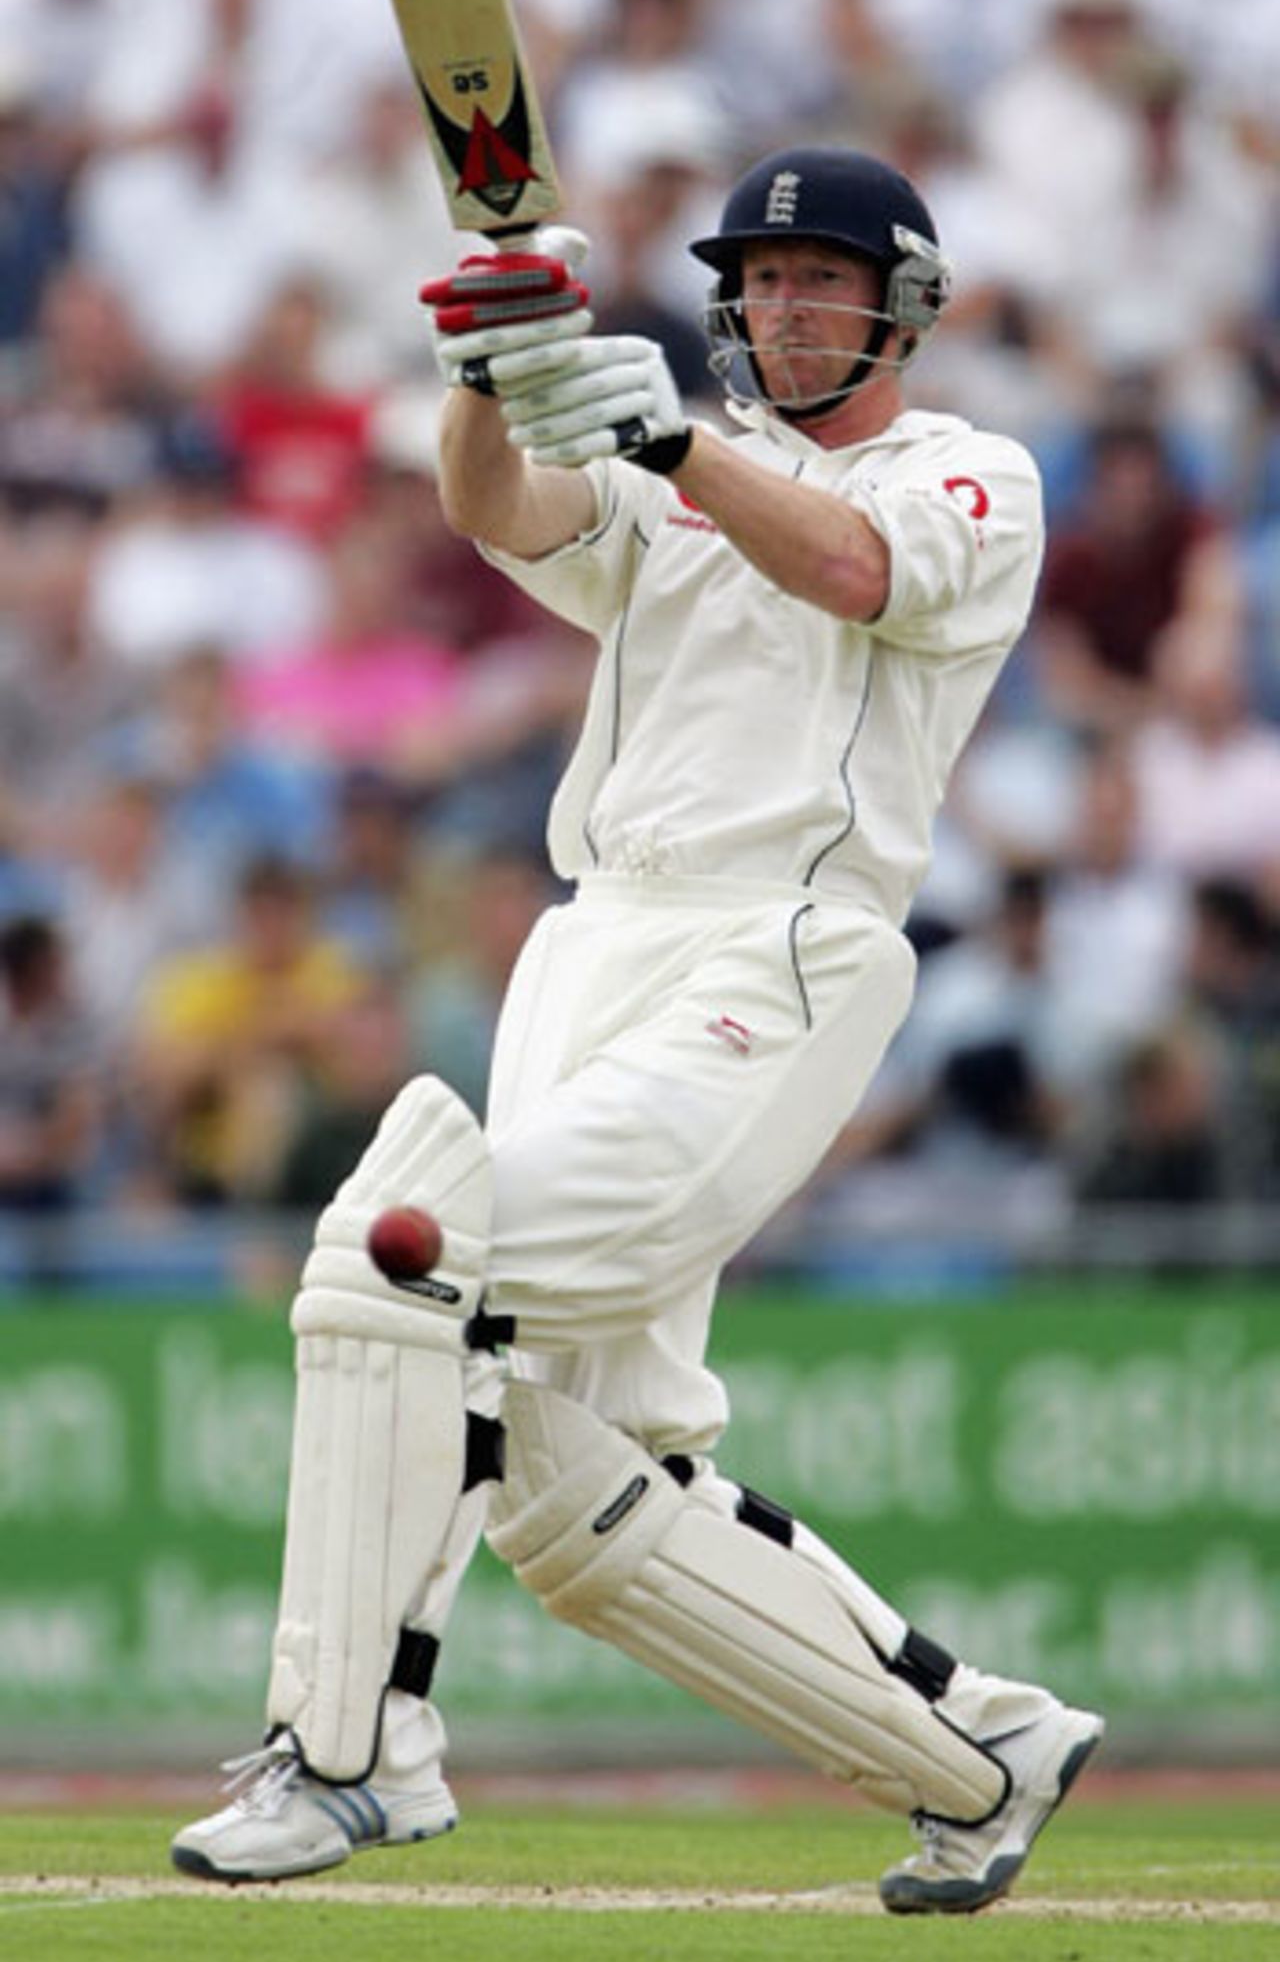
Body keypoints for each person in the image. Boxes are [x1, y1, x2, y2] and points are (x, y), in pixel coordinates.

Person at [171, 146, 1102, 1914]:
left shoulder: (973, 475)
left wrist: (676, 438)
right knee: (569, 1484)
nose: (779, 308)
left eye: (819, 279)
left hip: (783, 950)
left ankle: (347, 1754)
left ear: (899, 302)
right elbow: (498, 513)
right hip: (592, 946)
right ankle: (982, 1754)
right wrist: (484, 377)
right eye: (754, 283)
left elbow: (849, 567)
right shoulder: (673, 489)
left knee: (402, 1260)